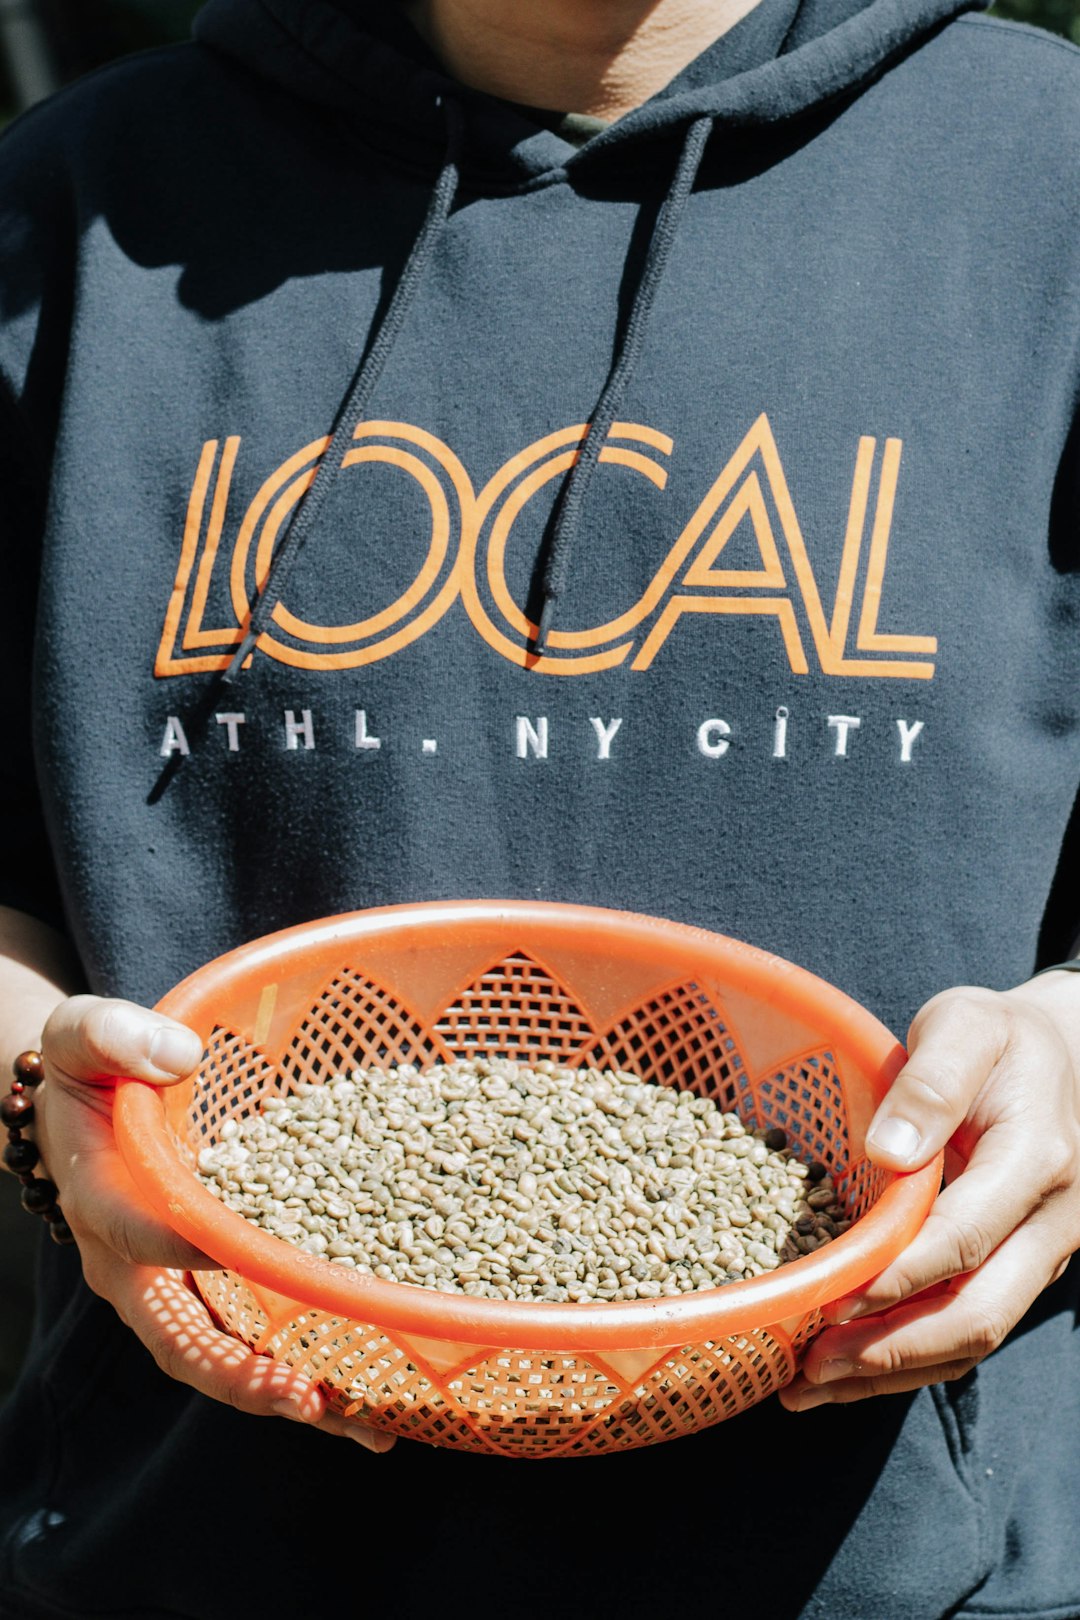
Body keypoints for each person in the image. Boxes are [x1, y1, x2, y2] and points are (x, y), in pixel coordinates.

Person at [1, 0, 1079, 1614]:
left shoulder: (1045, 176)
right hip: (201, 1545)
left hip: (907, 1561)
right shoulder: (68, 208)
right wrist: (35, 1097)